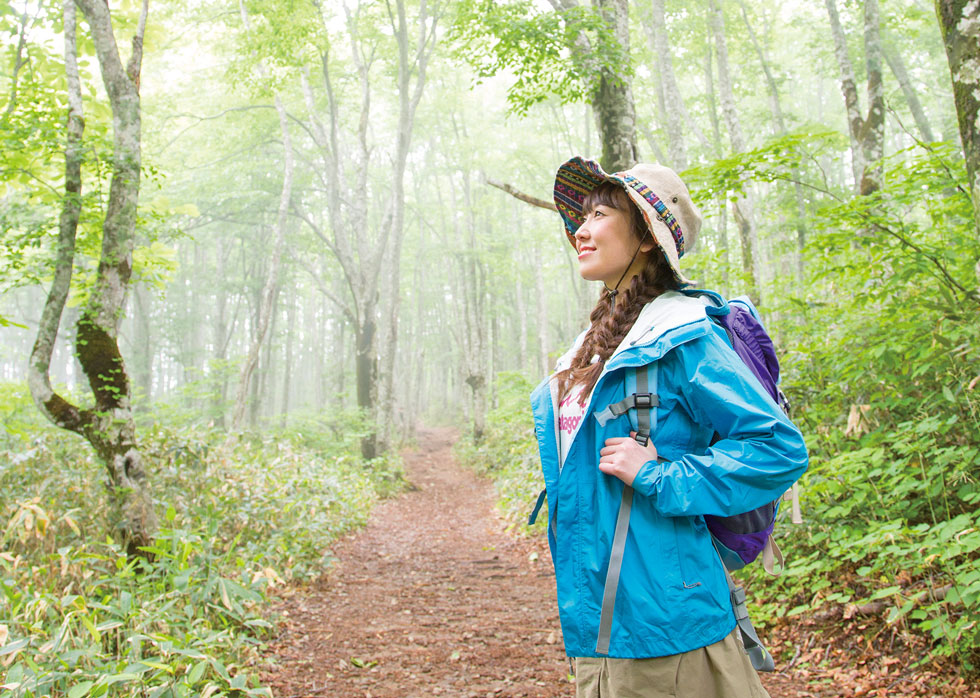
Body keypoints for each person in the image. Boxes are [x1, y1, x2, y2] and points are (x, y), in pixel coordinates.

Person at [531, 156, 809, 698]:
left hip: (666, 630)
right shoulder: (597, 346)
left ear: (644, 240)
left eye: (600, 216)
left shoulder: (684, 336)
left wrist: (660, 475)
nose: (580, 232)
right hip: (600, 625)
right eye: (580, 219)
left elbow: (777, 449)